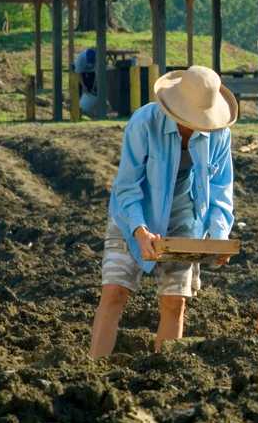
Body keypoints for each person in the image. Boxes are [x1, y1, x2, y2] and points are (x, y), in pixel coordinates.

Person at [89, 65, 238, 356]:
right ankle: (94, 367)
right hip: (134, 213)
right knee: (114, 292)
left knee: (175, 300)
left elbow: (221, 189)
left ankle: (164, 371)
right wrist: (139, 231)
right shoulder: (144, 122)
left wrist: (219, 238)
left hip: (184, 216)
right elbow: (127, 185)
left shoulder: (219, 134)